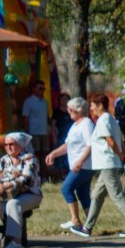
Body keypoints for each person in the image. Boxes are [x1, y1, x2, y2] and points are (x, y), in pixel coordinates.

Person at [70, 93, 125, 238]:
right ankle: (87, 228)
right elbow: (119, 139)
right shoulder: (111, 119)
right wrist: (122, 153)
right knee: (96, 195)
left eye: (93, 105)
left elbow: (110, 140)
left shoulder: (103, 120)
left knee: (116, 196)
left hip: (107, 164)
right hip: (106, 165)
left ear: (100, 105)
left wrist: (120, 154)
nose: (91, 108)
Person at [0, 132, 42, 248]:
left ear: (20, 145)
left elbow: (27, 178)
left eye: (11, 144)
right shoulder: (4, 159)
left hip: (30, 194)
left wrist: (6, 185)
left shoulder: (30, 158)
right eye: (6, 145)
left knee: (13, 204)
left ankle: (15, 242)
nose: (8, 147)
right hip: (7, 195)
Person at [44, 97, 94, 232]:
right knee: (83, 194)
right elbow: (67, 145)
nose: (68, 111)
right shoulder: (75, 125)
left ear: (78, 110)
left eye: (70, 109)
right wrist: (53, 153)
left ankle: (75, 220)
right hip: (79, 165)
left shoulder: (86, 124)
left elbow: (90, 145)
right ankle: (89, 224)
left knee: (66, 188)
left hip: (84, 166)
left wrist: (80, 161)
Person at [21, 81, 51, 170]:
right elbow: (25, 118)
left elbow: (46, 117)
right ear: (34, 89)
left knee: (44, 153)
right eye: (40, 88)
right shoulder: (28, 101)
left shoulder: (44, 102)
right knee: (35, 154)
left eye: (43, 88)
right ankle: (36, 173)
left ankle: (44, 175)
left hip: (44, 132)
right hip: (33, 132)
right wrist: (27, 134)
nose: (42, 90)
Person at [51, 92, 73, 179]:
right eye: (63, 99)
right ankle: (61, 176)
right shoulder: (57, 112)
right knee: (60, 156)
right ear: (60, 101)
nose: (65, 101)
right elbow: (53, 125)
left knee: (69, 156)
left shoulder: (70, 111)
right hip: (60, 136)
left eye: (67, 99)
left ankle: (68, 174)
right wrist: (54, 137)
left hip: (70, 137)